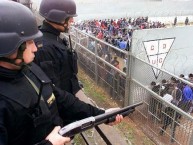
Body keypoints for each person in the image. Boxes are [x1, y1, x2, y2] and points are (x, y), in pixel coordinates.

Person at [0, 1, 123, 145]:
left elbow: (60, 97)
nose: (35, 48)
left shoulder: (29, 69)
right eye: (29, 42)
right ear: (8, 45)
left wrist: (101, 114)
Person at [33, 0, 90, 103]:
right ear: (58, 18)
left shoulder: (52, 38)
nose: (72, 20)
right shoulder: (45, 49)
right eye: (69, 17)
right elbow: (54, 93)